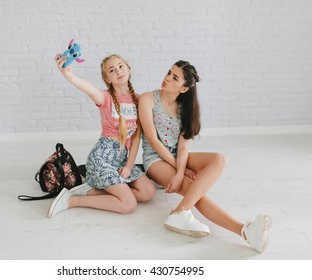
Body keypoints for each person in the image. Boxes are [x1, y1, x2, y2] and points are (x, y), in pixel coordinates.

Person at [138, 60, 272, 253]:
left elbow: (183, 148)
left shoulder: (185, 109)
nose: (167, 78)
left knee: (219, 159)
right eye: (169, 72)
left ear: (184, 89)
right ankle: (244, 231)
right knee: (193, 190)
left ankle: (180, 211)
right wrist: (180, 171)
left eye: (174, 77)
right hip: (155, 159)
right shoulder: (148, 99)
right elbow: (153, 140)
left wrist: (180, 170)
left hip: (178, 158)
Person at [47, 53, 156, 218]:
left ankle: (93, 190)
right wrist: (71, 76)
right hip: (102, 158)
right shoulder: (105, 98)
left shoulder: (139, 100)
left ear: (128, 69)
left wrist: (128, 166)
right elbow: (89, 88)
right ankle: (72, 200)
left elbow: (135, 139)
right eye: (112, 70)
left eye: (120, 66)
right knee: (128, 204)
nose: (118, 71)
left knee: (148, 192)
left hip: (121, 159)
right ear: (107, 78)